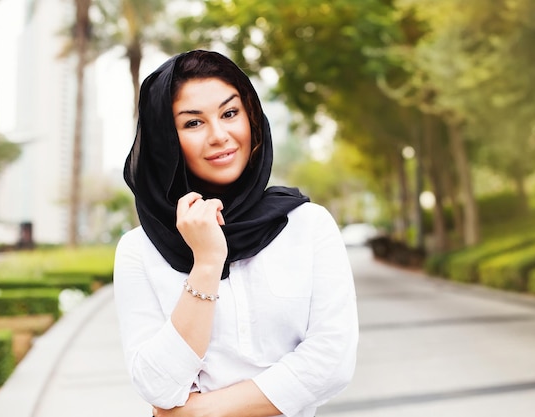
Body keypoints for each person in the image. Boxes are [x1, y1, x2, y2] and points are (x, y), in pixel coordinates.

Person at [113, 49, 358, 417]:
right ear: (166, 140)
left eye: (230, 114)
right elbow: (157, 385)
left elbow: (331, 361)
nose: (219, 135)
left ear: (252, 119)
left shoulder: (307, 226)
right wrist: (208, 262)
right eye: (193, 123)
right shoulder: (139, 250)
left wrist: (197, 413)